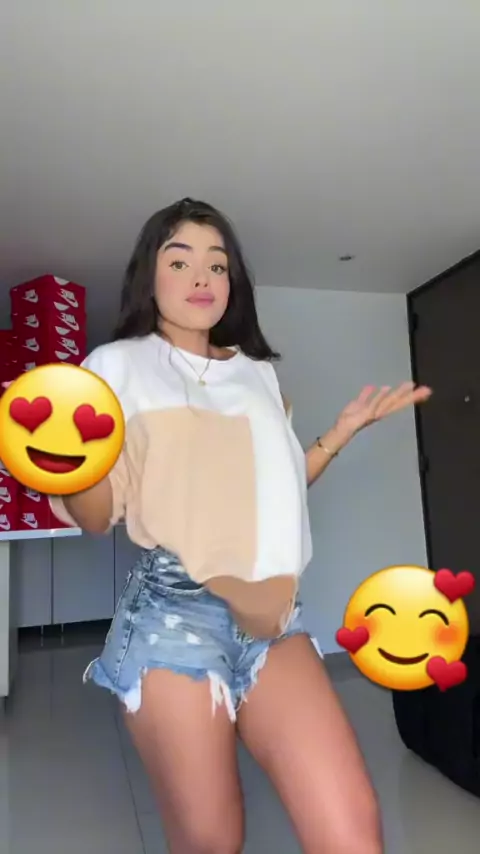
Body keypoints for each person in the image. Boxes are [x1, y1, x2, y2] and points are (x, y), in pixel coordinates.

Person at [50, 198, 431, 854]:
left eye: (217, 264)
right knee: (211, 839)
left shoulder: (257, 374)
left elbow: (274, 493)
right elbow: (94, 516)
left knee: (352, 831)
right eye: (180, 261)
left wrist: (339, 434)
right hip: (174, 619)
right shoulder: (114, 367)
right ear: (149, 276)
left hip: (271, 619)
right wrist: (62, 462)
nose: (202, 276)